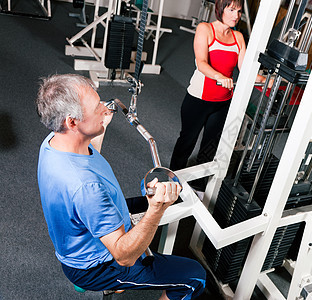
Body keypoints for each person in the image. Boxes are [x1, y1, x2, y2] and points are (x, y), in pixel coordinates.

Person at [36, 74, 206, 300]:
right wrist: (156, 209)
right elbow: (124, 257)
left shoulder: (53, 142)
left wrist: (99, 126)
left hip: (77, 237)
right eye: (96, 107)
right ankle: (110, 281)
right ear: (72, 122)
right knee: (195, 276)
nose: (104, 109)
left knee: (147, 205)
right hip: (96, 267)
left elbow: (87, 157)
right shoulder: (86, 187)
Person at [170, 0, 267, 185]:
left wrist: (267, 80)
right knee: (187, 141)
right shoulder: (205, 29)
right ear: (220, 9)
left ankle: (199, 186)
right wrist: (219, 76)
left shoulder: (238, 36)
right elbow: (201, 62)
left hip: (222, 102)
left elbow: (245, 69)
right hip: (199, 99)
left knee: (210, 147)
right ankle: (172, 180)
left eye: (239, 11)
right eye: (231, 10)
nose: (236, 15)